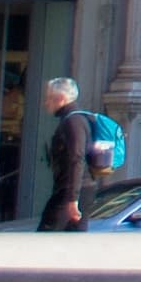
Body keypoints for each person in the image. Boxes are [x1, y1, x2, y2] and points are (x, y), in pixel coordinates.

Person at [35, 78, 93, 233]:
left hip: (71, 190)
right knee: (71, 242)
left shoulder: (73, 121)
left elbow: (77, 158)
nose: (46, 103)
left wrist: (72, 199)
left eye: (49, 98)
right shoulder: (74, 119)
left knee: (45, 237)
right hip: (75, 188)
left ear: (61, 99)